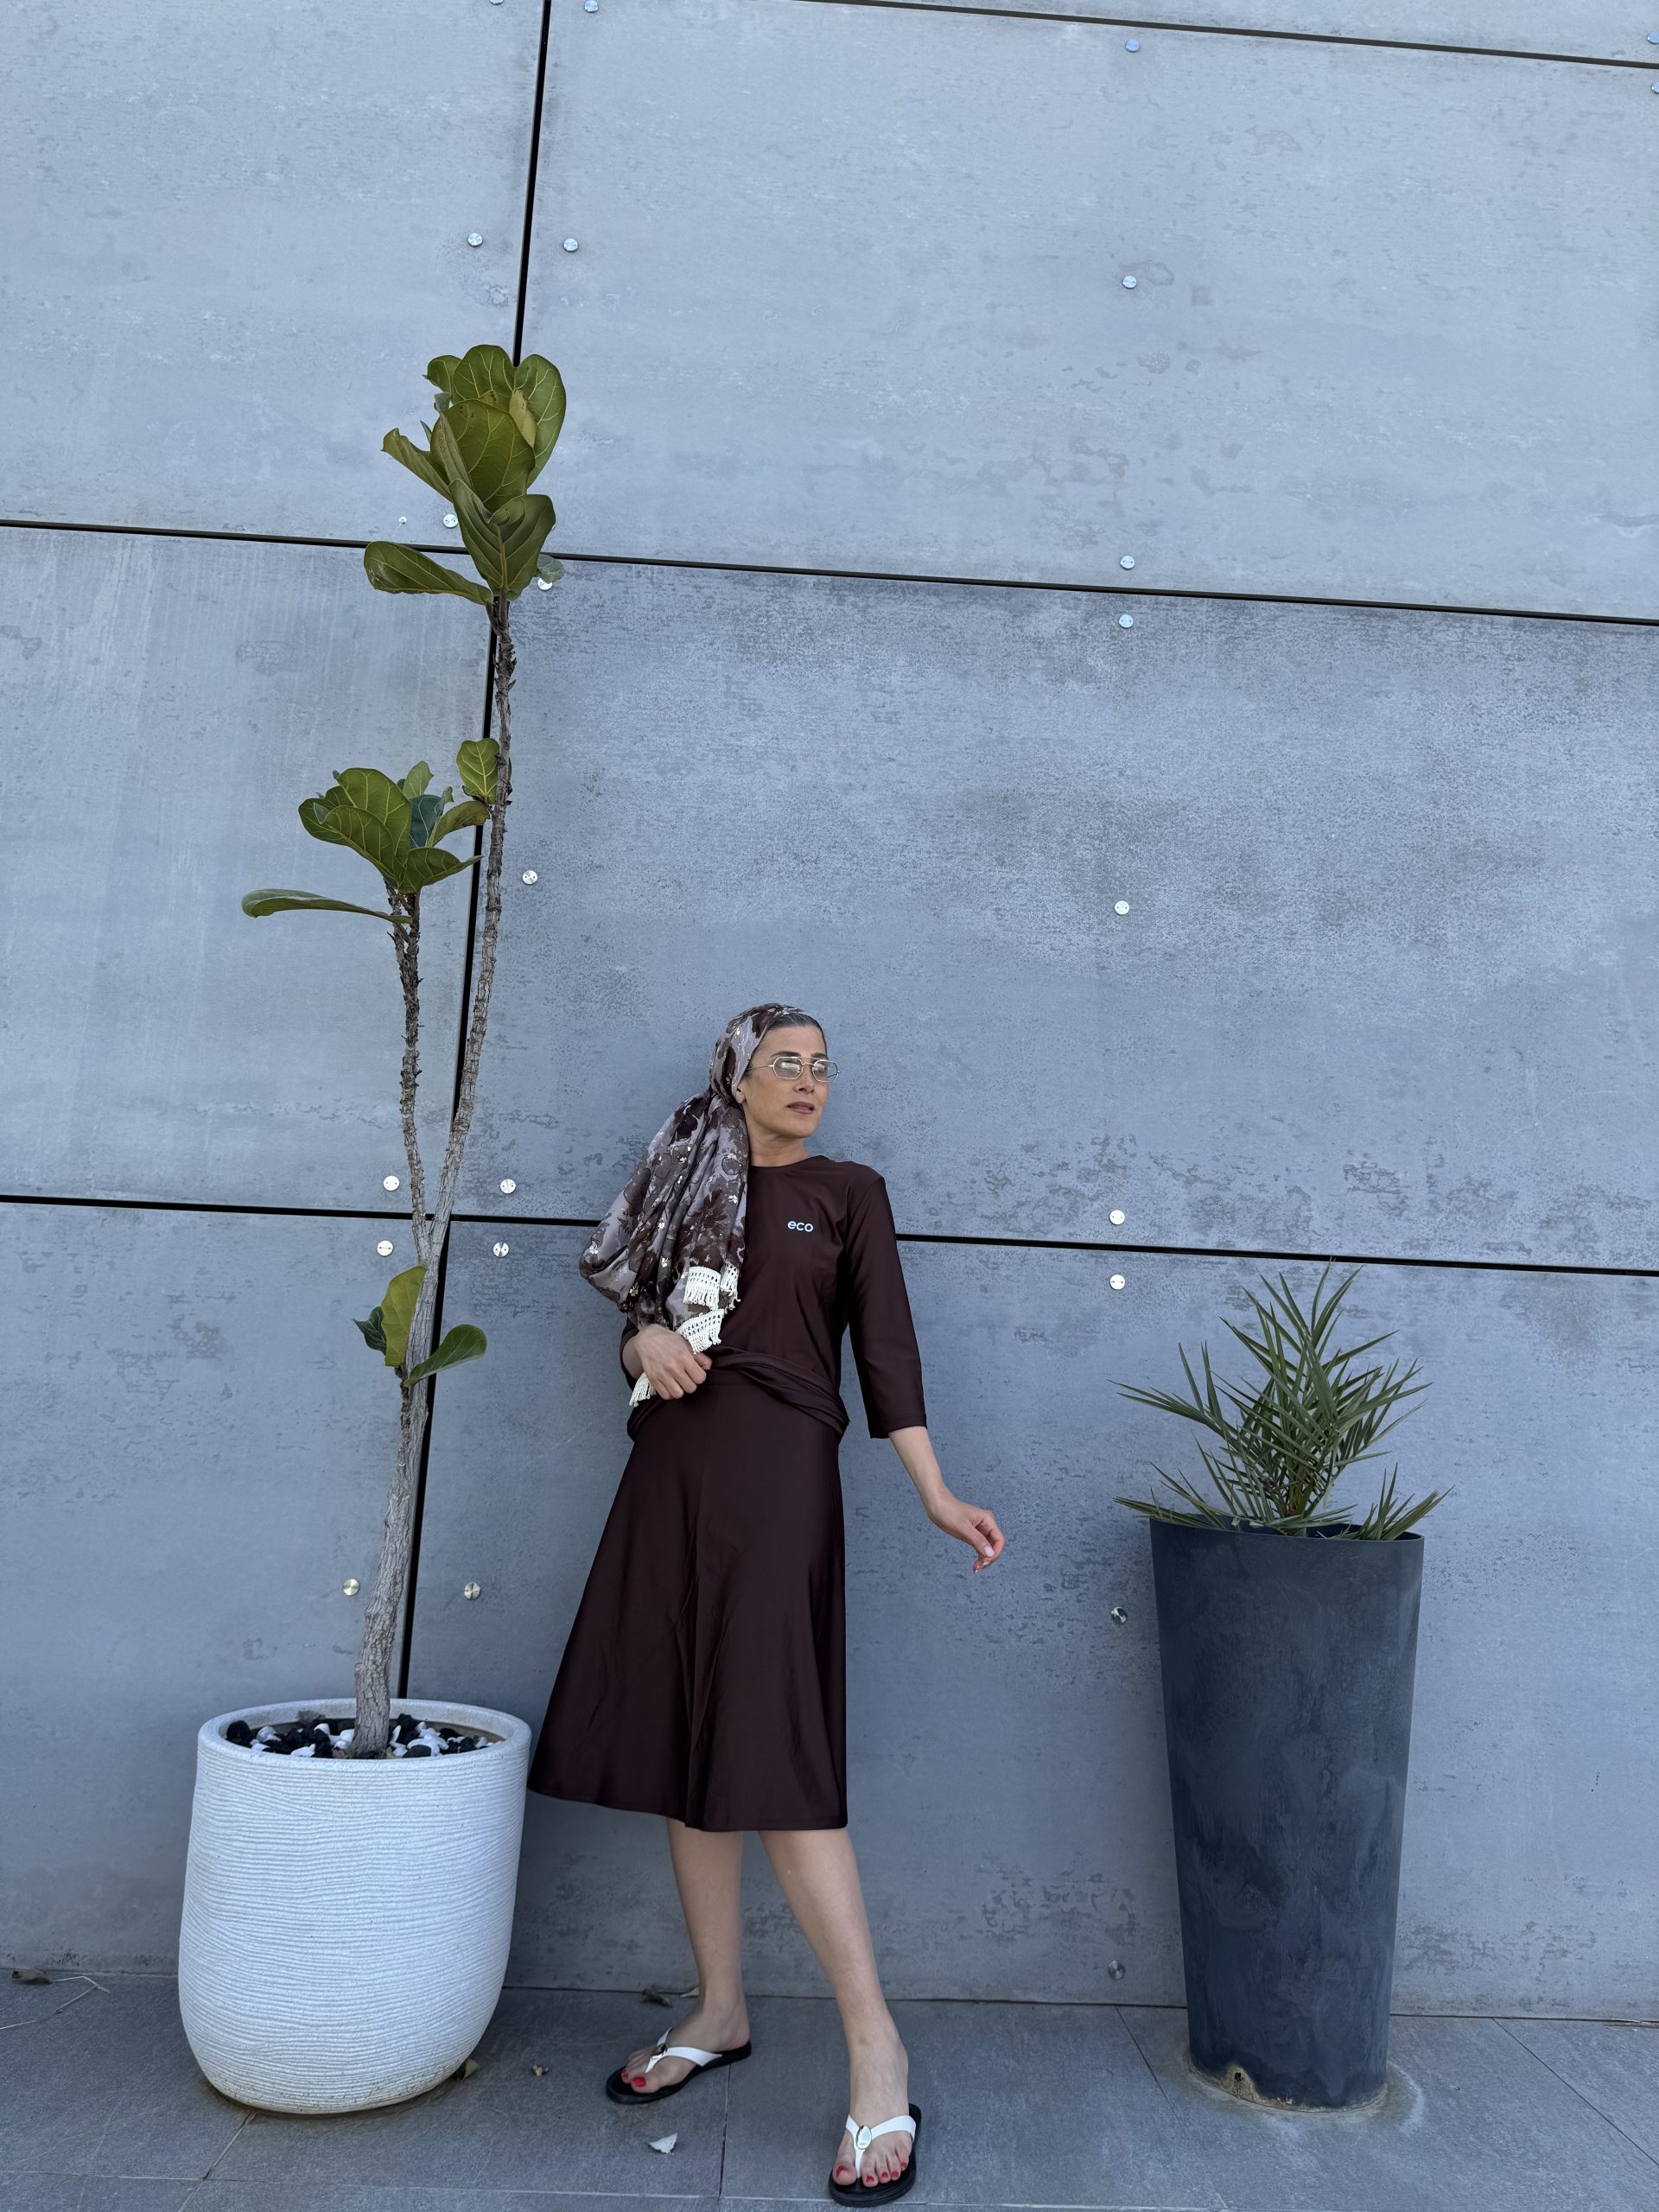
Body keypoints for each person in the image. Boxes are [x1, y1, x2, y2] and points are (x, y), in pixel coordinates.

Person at [528, 1004, 1006, 2203]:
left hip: (781, 1476)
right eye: (784, 1063)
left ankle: (875, 2048)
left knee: (773, 1745)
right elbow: (643, 1312)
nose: (807, 1080)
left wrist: (937, 1494)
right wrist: (640, 1344)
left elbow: (886, 1354)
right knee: (685, 1735)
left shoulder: (849, 1194)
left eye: (821, 1066)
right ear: (736, 1077)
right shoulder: (688, 1174)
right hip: (673, 1469)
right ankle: (721, 2008)